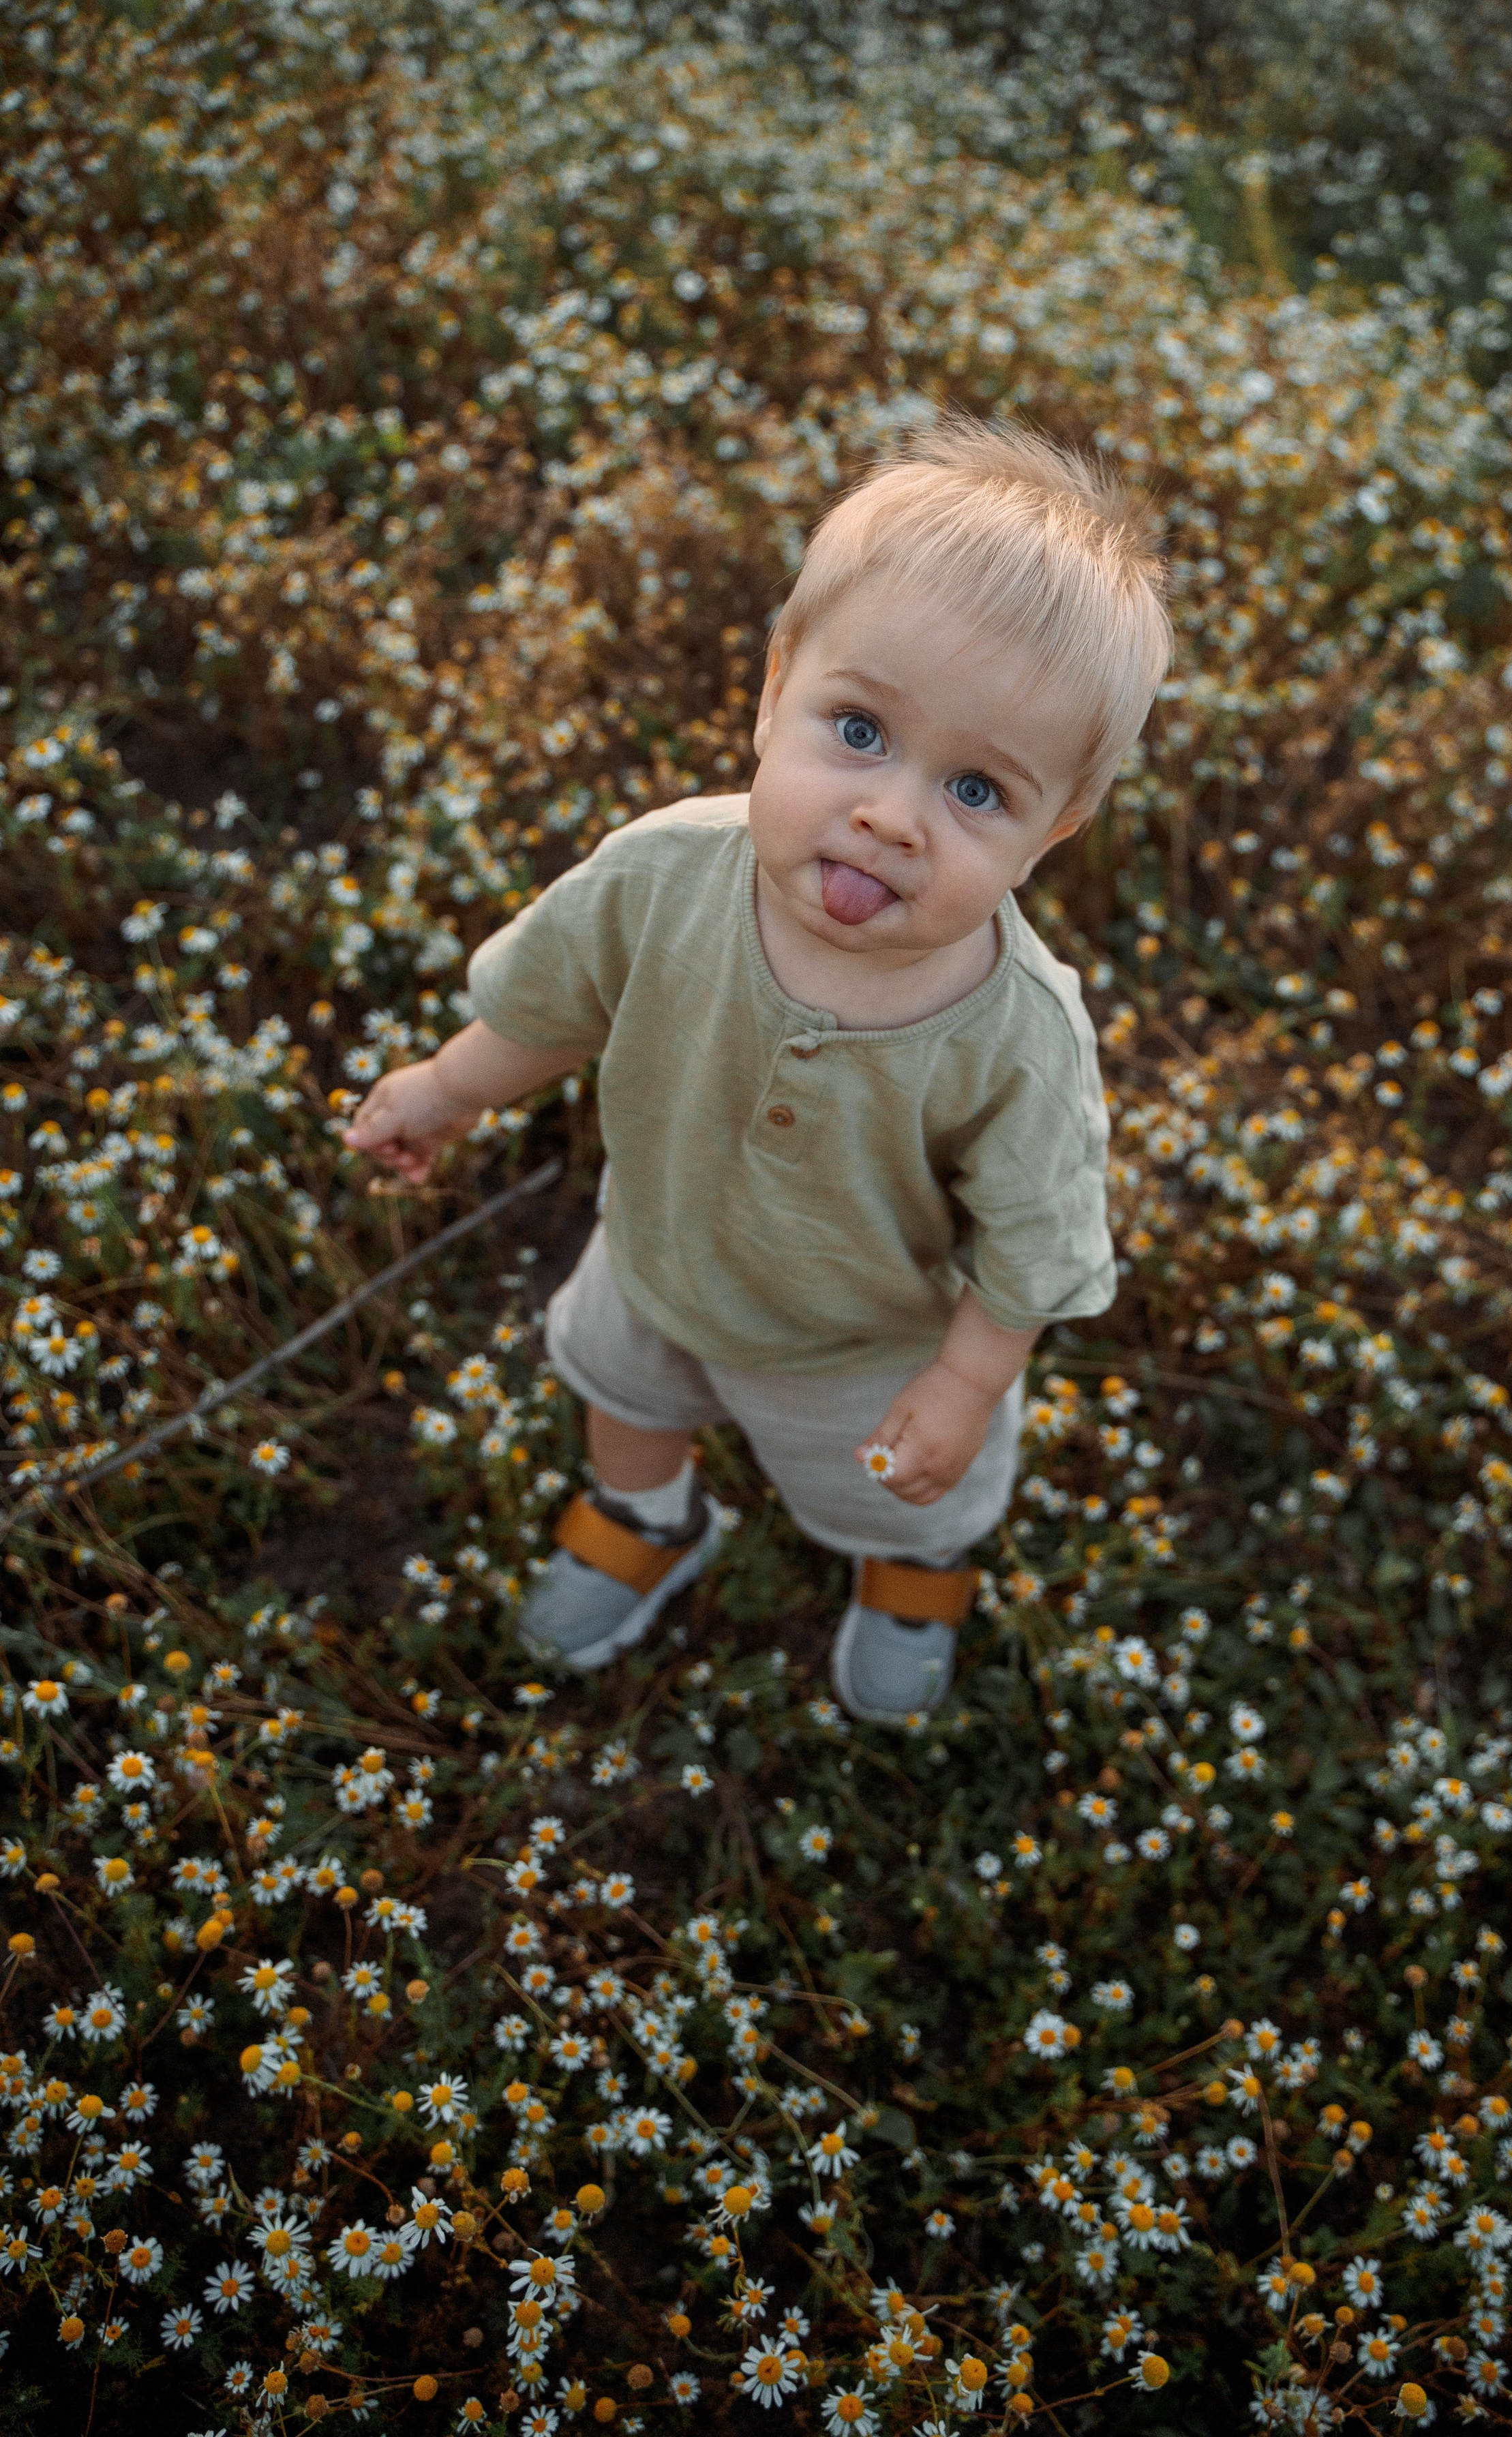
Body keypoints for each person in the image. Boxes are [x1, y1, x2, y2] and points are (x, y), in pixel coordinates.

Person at [342, 412, 1171, 1723]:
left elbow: (1033, 1236)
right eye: (858, 730)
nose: (891, 813)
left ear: (1053, 830)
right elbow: (559, 1003)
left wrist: (963, 1385)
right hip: (662, 1247)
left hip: (859, 1341)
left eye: (976, 793)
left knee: (896, 1491)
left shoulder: (1019, 1034)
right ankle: (648, 1514)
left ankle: (916, 1571)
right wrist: (449, 1087)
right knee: (623, 1390)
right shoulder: (665, 872)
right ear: (776, 687)